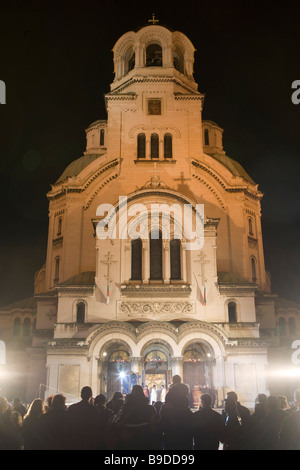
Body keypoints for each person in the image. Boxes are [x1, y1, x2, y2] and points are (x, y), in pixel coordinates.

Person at [110, 385, 158, 450]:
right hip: (145, 439)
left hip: (128, 440)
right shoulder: (150, 409)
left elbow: (118, 422)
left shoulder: (125, 408)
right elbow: (153, 426)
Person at [65, 386, 99, 450]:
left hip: (74, 440)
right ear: (91, 395)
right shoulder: (93, 410)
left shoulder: (72, 408)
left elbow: (67, 426)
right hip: (88, 442)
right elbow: (95, 427)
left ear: (81, 395)